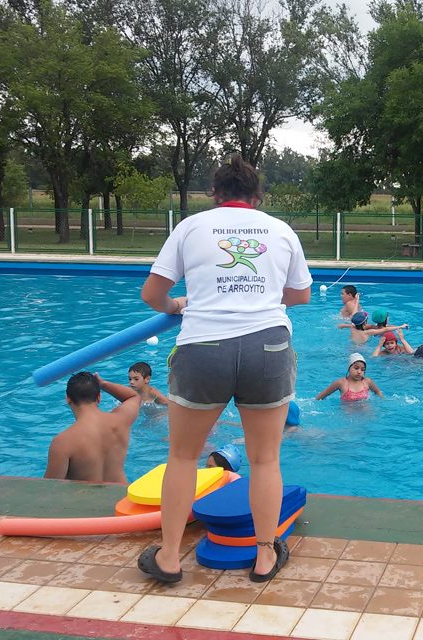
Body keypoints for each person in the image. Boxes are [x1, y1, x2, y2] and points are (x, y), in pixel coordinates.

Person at [138, 154, 311, 585]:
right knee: (265, 458)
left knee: (181, 456)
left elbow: (153, 294)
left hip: (204, 346)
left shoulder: (191, 227)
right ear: (257, 197)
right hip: (267, 346)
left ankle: (171, 558)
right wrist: (263, 297)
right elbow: (301, 295)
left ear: (214, 194)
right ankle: (266, 557)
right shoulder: (281, 230)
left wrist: (177, 305)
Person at [45, 372, 140, 483]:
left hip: (87, 499)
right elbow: (134, 397)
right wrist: (103, 384)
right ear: (99, 397)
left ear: (68, 399)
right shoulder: (121, 420)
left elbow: (48, 488)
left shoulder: (62, 442)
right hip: (121, 496)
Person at [316, 353, 384, 401]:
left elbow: (377, 391)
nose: (359, 372)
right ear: (349, 368)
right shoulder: (341, 383)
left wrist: (382, 401)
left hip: (366, 415)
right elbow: (323, 395)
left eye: (362, 369)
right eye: (356, 368)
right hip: (348, 417)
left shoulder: (367, 381)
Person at [338, 311, 407, 345]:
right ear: (365, 322)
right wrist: (400, 326)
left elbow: (341, 325)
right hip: (362, 349)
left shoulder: (353, 327)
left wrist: (341, 326)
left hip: (351, 346)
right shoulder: (367, 332)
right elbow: (385, 329)